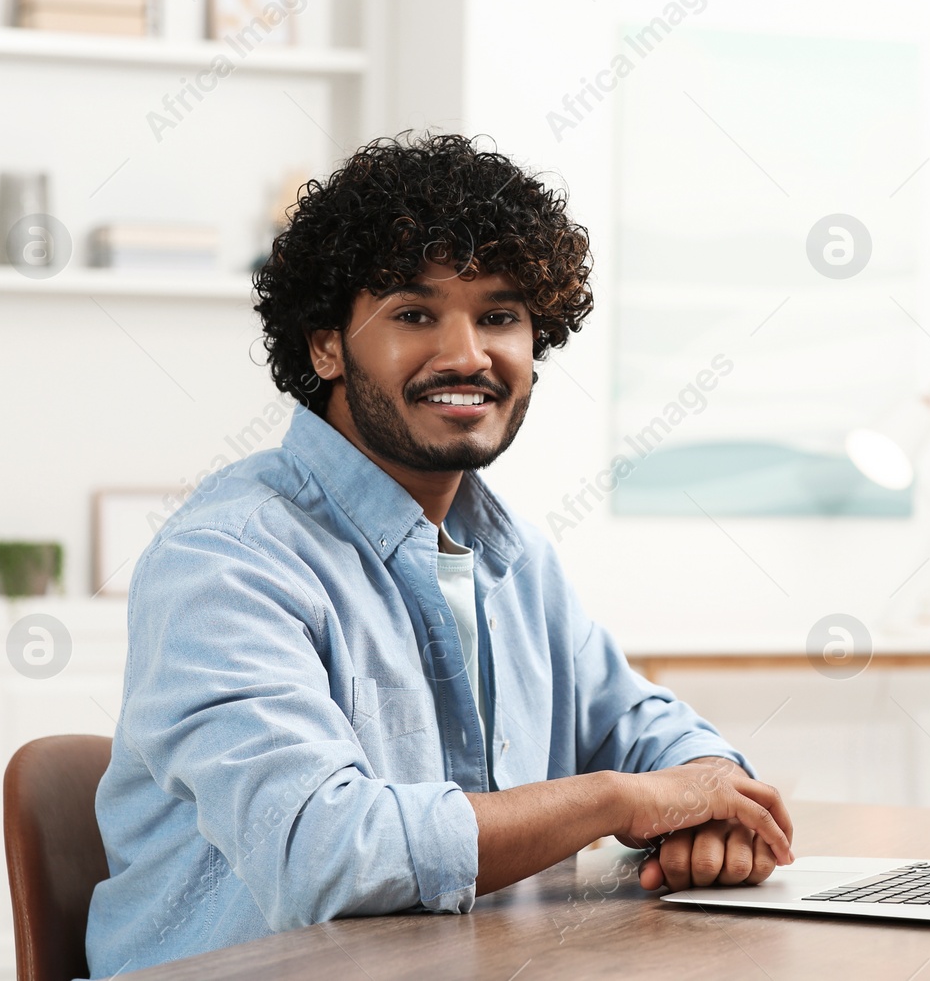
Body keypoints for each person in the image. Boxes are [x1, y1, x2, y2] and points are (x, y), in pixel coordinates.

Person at [86, 132, 794, 976]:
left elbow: (645, 729)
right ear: (325, 346)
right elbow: (330, 853)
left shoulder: (515, 558)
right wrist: (623, 799)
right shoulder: (227, 562)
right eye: (414, 313)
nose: (467, 354)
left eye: (499, 315)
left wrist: (710, 802)